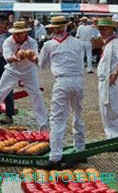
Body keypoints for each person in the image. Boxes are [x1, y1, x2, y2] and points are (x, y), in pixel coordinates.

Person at [39, 15, 86, 165]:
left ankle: (55, 155)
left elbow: (42, 65)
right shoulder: (78, 43)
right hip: (78, 80)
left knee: (57, 118)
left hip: (62, 81)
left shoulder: (49, 45)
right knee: (78, 113)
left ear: (53, 29)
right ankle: (80, 150)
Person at [0, 20, 48, 130]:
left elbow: (36, 57)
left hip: (28, 70)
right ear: (13, 33)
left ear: (25, 32)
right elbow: (7, 58)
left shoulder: (32, 42)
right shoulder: (8, 42)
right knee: (1, 91)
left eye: (21, 33)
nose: (19, 35)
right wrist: (16, 57)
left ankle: (43, 123)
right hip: (12, 70)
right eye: (16, 33)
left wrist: (34, 58)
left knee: (36, 94)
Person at [95, 18, 118, 139]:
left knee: (112, 110)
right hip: (104, 81)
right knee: (105, 111)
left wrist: (115, 73)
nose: (102, 31)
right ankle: (110, 136)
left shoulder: (115, 43)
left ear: (111, 29)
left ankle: (116, 137)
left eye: (104, 29)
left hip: (111, 82)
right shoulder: (107, 43)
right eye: (100, 29)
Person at [0, 18, 16, 124]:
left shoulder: (10, 37)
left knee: (8, 87)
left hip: (5, 61)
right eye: (1, 23)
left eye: (4, 24)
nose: (3, 26)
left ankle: (9, 115)